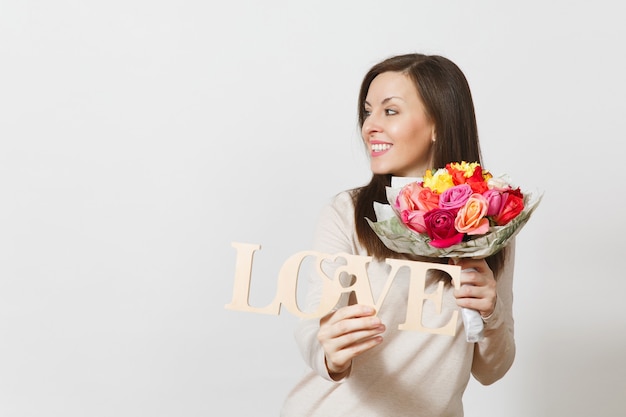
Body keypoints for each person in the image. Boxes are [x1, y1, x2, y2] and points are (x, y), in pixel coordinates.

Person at [280, 53, 515, 417]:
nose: (370, 126)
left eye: (390, 111)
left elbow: (491, 370)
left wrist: (491, 311)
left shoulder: (487, 221)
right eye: (367, 111)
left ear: (438, 123)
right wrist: (330, 352)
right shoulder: (347, 213)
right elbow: (315, 328)